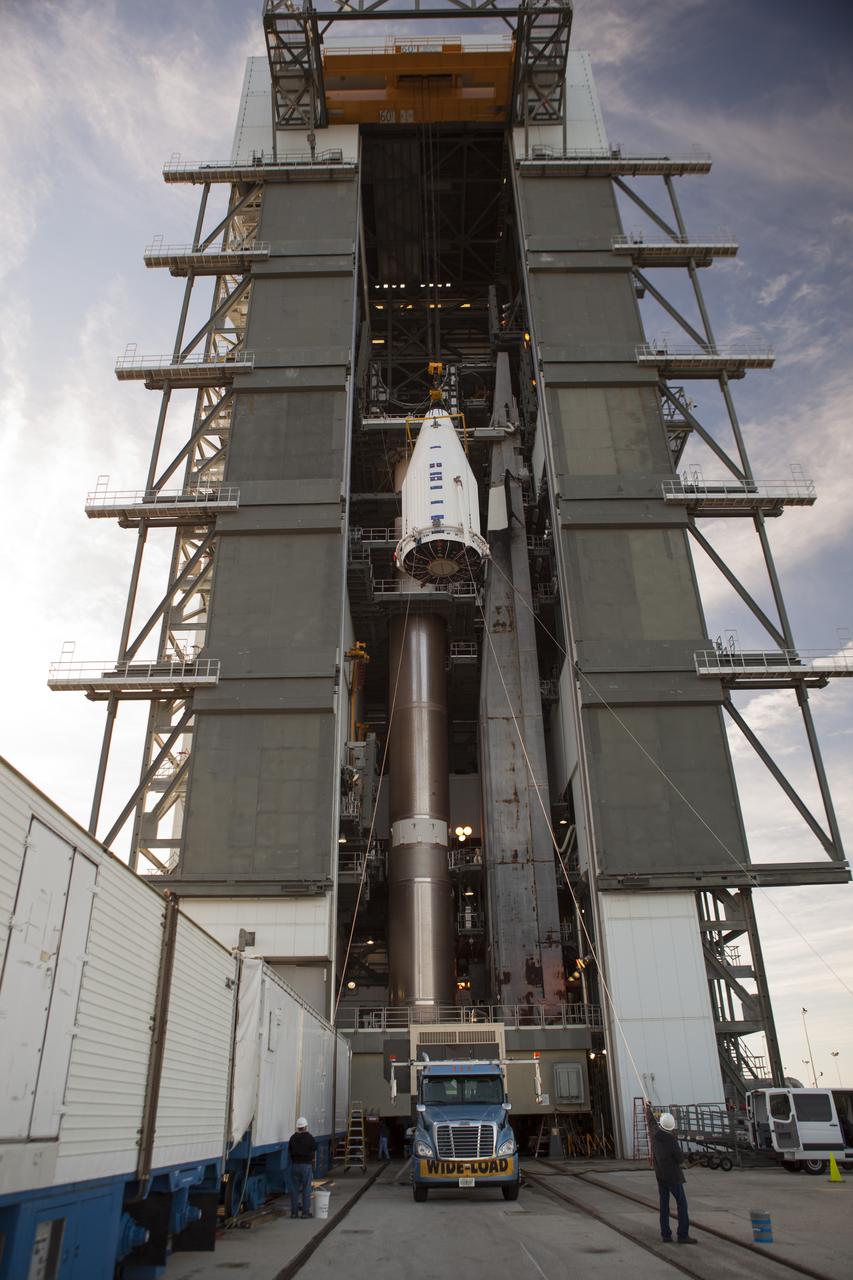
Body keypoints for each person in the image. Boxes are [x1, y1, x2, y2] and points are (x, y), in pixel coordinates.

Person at [648, 1107, 696, 1245]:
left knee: (664, 1205)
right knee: (682, 1204)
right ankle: (683, 1234)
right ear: (672, 1126)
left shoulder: (654, 1134)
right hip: (673, 1177)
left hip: (660, 1175)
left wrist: (648, 1109)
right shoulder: (671, 1140)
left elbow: (651, 1121)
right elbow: (680, 1159)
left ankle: (666, 1235)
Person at [288, 1117, 317, 1219]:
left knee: (294, 1189)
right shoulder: (309, 1138)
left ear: (297, 1127)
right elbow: (315, 1147)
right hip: (306, 1166)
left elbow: (289, 1151)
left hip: (294, 1166)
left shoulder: (292, 1138)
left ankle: (294, 1213)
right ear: (305, 1126)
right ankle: (305, 1212)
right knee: (306, 1189)